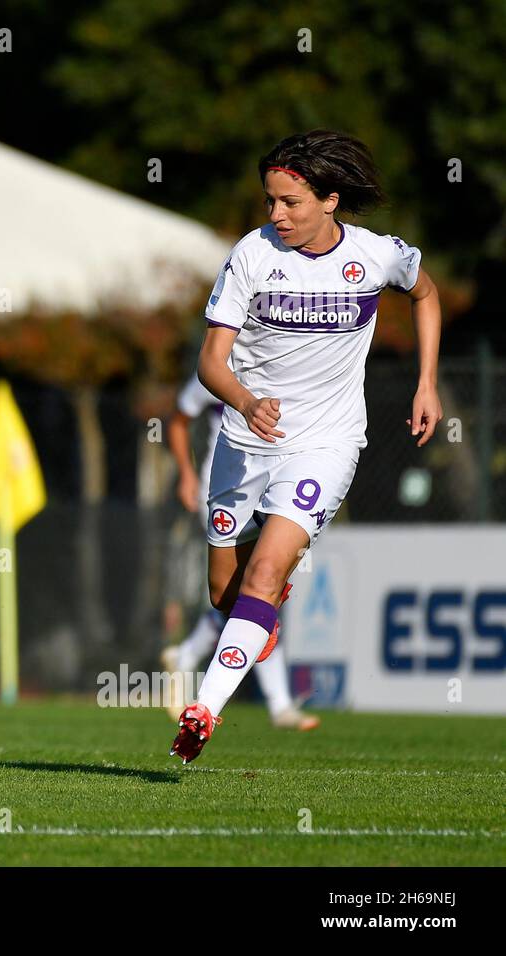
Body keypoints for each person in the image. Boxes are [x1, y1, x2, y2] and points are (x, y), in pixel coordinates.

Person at [170, 130, 442, 763]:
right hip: (243, 440)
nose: (276, 215)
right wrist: (244, 402)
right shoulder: (251, 256)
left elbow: (425, 293)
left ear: (329, 200)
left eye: (290, 202)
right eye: (270, 201)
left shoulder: (376, 256)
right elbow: (211, 361)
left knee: (266, 573)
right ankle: (259, 619)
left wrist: (426, 383)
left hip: (326, 442)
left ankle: (202, 711)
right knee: (225, 595)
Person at [161, 372, 319, 731]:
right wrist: (186, 474)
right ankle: (279, 705)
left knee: (261, 589)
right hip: (227, 490)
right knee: (255, 593)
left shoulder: (289, 360)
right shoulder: (218, 370)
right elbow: (178, 421)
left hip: (279, 482)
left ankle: (188, 656)